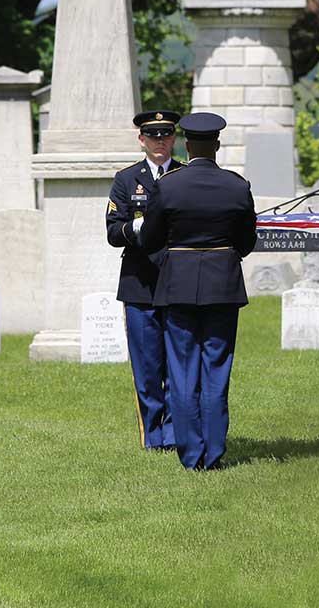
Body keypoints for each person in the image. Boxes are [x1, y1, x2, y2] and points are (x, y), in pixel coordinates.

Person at [136, 113, 256, 470]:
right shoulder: (236, 186)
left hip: (179, 286)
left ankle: (190, 455)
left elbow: (150, 239)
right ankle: (215, 453)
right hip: (222, 285)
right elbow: (247, 242)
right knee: (216, 369)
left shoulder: (169, 186)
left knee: (183, 371)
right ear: (216, 145)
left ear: (187, 144)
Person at [105, 110, 182, 451]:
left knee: (178, 361)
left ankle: (175, 431)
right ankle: (153, 436)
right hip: (140, 281)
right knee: (148, 366)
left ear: (175, 138)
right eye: (152, 135)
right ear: (141, 140)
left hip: (179, 278)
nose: (160, 141)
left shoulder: (184, 174)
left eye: (166, 134)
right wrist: (136, 229)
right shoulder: (126, 179)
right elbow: (112, 230)